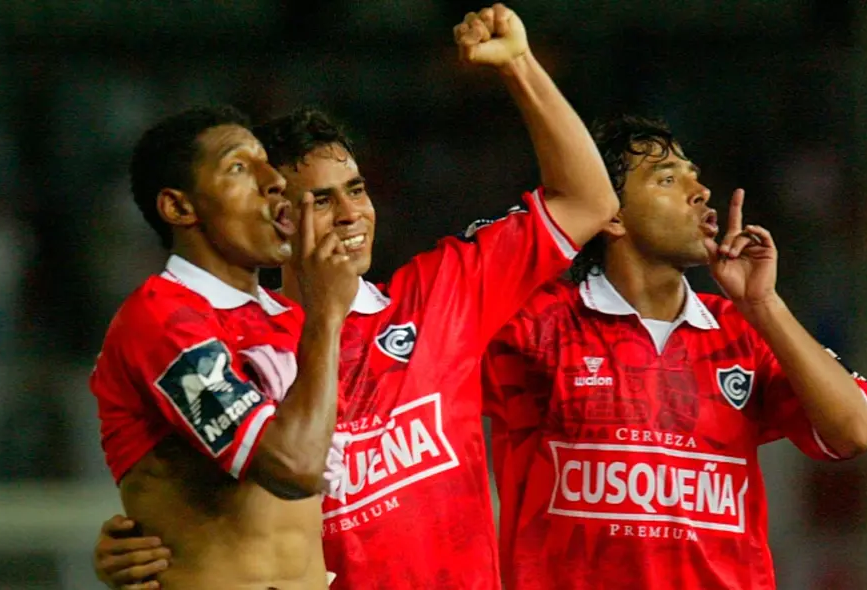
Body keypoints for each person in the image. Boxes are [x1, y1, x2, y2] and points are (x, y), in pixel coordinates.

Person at [92, 4, 619, 589]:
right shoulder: (240, 338)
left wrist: (520, 64)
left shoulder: (440, 293)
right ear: (279, 212)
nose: (350, 216)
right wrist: (149, 541)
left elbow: (589, 200)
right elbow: (231, 496)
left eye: (357, 190)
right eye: (319, 200)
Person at [482, 114, 867, 590]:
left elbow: (855, 433)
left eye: (695, 175)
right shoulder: (535, 323)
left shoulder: (743, 330)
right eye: (668, 179)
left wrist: (764, 305)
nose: (700, 191)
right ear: (610, 214)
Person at [88, 105, 359, 589]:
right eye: (238, 167)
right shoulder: (160, 317)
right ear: (179, 207)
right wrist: (325, 318)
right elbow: (292, 467)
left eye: (265, 164)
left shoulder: (294, 320)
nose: (273, 179)